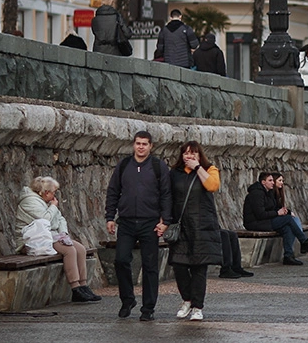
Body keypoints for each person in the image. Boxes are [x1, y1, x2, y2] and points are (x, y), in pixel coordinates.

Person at [105, 130, 172, 321]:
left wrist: (165, 221)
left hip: (149, 223)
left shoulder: (159, 167)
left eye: (144, 144)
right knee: (121, 260)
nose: (140, 147)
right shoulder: (124, 165)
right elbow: (113, 191)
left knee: (150, 266)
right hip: (126, 222)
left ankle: (148, 308)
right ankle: (127, 299)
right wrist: (110, 216)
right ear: (133, 145)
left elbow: (166, 195)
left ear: (151, 146)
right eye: (137, 143)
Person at [16, 176, 100, 303]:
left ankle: (83, 285)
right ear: (45, 192)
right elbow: (44, 220)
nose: (55, 195)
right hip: (33, 240)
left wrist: (63, 233)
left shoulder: (46, 202)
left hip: (50, 236)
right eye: (53, 192)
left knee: (81, 249)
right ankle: (75, 288)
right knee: (69, 251)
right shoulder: (30, 202)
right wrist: (53, 207)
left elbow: (60, 219)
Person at [168, 141, 223, 321]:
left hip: (202, 225)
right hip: (181, 225)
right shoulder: (174, 173)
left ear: (199, 155)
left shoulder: (209, 170)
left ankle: (198, 306)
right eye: (186, 153)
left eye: (193, 153)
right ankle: (187, 300)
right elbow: (167, 197)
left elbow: (212, 186)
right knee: (179, 265)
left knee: (200, 267)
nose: (189, 156)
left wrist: (198, 168)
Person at [242, 172, 308, 265]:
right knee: (288, 219)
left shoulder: (268, 193)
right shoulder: (257, 194)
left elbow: (274, 207)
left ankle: (288, 256)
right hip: (255, 223)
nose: (272, 183)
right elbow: (260, 214)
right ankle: (304, 241)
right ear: (263, 182)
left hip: (266, 221)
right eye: (270, 180)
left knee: (287, 228)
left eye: (272, 180)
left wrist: (284, 211)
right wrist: (277, 213)